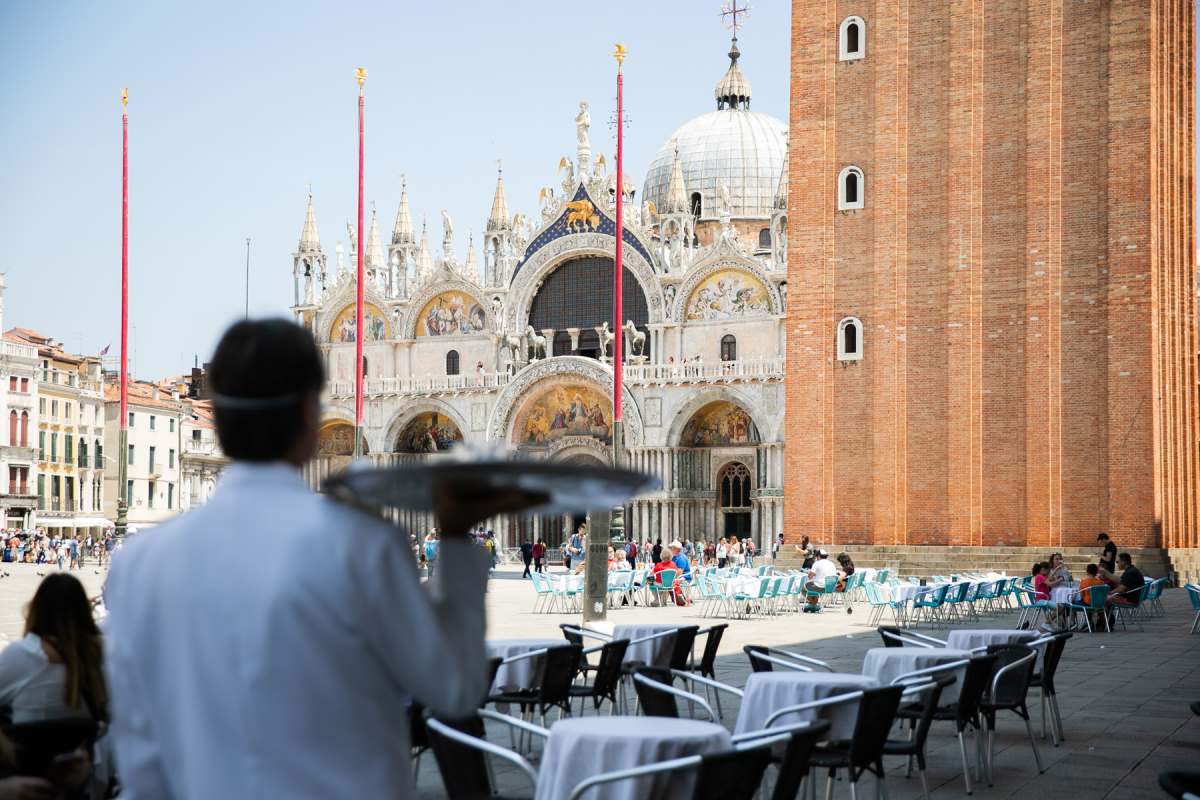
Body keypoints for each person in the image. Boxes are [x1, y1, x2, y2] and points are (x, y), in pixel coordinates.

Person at [103, 319, 541, 799]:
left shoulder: (138, 565)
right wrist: (456, 539)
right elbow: (453, 688)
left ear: (219, 421)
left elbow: (140, 755)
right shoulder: (364, 547)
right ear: (311, 417)